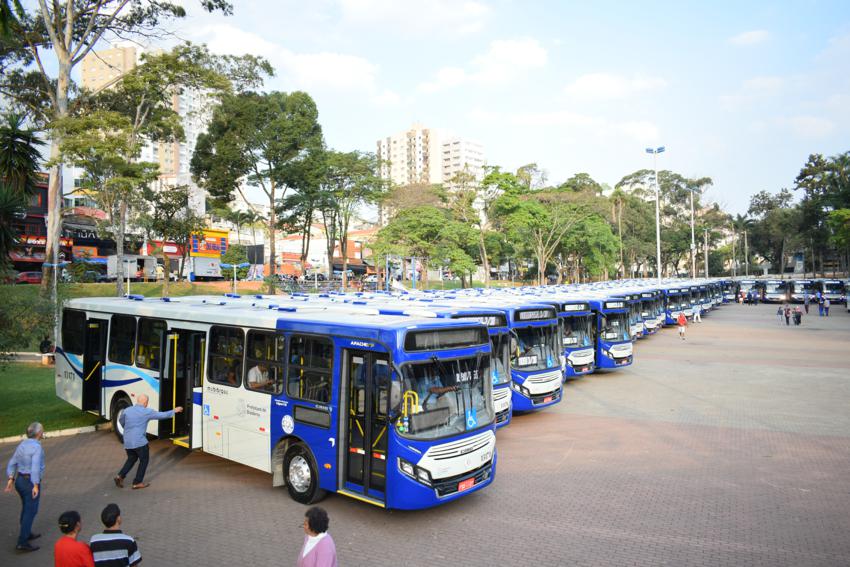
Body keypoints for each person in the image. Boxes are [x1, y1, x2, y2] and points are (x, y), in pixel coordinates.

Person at [113, 394, 182, 490]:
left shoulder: (127, 410)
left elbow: (121, 421)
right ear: (145, 403)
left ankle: (120, 476)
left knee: (131, 459)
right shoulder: (147, 412)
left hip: (128, 441)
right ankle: (137, 482)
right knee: (144, 460)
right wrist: (175, 410)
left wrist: (130, 431)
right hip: (139, 442)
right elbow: (162, 415)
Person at [5, 421, 45, 552]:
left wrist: (11, 478)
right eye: (42, 430)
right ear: (39, 433)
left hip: (20, 481)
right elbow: (34, 468)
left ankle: (26, 533)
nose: (43, 432)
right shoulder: (37, 447)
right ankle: (22, 541)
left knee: (26, 507)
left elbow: (12, 462)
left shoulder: (22, 445)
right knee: (31, 511)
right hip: (30, 482)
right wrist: (35, 485)